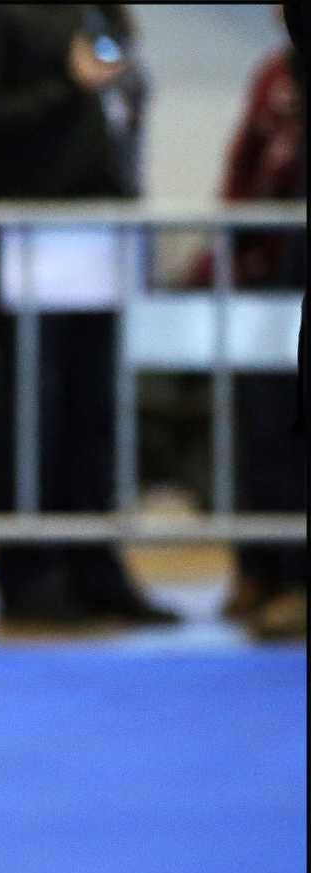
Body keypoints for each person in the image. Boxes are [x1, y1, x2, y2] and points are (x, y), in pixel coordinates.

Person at [0, 4, 176, 626]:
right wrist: (65, 86)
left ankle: (96, 565)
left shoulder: (98, 10)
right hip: (29, 236)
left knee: (95, 408)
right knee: (31, 410)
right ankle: (28, 572)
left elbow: (121, 103)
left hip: (101, 234)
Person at [211, 6, 305, 640]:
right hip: (268, 268)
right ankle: (260, 568)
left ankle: (298, 578)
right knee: (264, 423)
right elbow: (244, 163)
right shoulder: (273, 73)